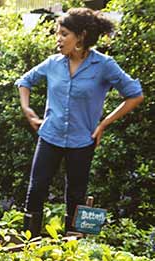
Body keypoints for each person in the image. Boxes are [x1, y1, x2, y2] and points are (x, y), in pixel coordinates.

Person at [16, 8, 143, 235]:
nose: (58, 38)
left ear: (81, 36)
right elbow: (25, 81)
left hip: (82, 140)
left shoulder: (104, 65)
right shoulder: (53, 63)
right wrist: (27, 109)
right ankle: (28, 245)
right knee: (36, 190)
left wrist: (103, 124)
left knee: (76, 196)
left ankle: (73, 251)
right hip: (50, 135)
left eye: (64, 34)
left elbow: (135, 95)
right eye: (57, 33)